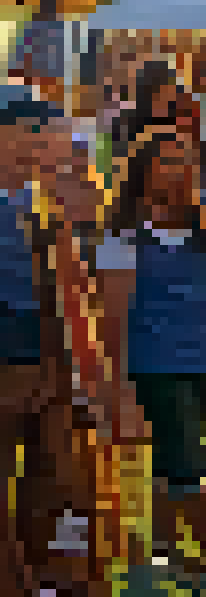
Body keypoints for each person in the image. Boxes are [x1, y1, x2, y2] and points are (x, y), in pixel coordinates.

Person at [91, 125, 206, 593]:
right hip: (152, 360)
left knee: (172, 461)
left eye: (186, 160)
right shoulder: (124, 230)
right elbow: (112, 315)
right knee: (189, 460)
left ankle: (164, 550)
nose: (179, 169)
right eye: (167, 160)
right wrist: (116, 389)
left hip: (201, 356)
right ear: (144, 169)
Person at [0, 94, 110, 596]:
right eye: (51, 136)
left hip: (48, 364)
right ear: (15, 137)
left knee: (60, 484)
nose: (61, 146)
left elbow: (77, 288)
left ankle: (54, 580)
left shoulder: (43, 203)